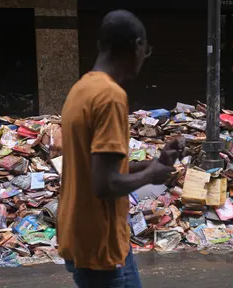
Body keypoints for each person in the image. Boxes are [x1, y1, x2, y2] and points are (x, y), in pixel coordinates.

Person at [58, 10, 183, 288]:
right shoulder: (110, 96)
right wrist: (151, 176)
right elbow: (105, 184)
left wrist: (155, 163)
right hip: (99, 243)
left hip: (90, 237)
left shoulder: (81, 90)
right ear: (137, 46)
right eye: (145, 49)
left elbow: (99, 167)